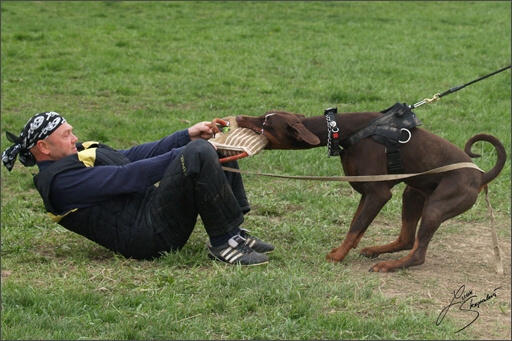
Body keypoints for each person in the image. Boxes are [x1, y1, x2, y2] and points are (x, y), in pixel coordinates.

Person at [2, 112, 274, 265]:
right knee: (200, 152)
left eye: (71, 131)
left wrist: (186, 136)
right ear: (43, 148)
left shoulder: (77, 155)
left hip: (155, 213)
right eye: (66, 135)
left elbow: (130, 157)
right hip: (149, 237)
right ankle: (223, 243)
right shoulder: (60, 184)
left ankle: (234, 232)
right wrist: (191, 150)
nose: (74, 138)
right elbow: (126, 177)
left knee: (214, 143)